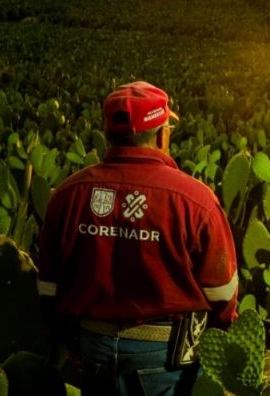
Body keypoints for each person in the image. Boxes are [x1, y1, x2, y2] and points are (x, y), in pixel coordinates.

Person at [37, 81, 238, 396]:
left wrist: (70, 341)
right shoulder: (195, 200)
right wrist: (213, 340)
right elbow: (223, 292)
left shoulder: (67, 195)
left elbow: (48, 286)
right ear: (162, 135)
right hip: (167, 354)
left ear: (108, 134)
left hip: (93, 347)